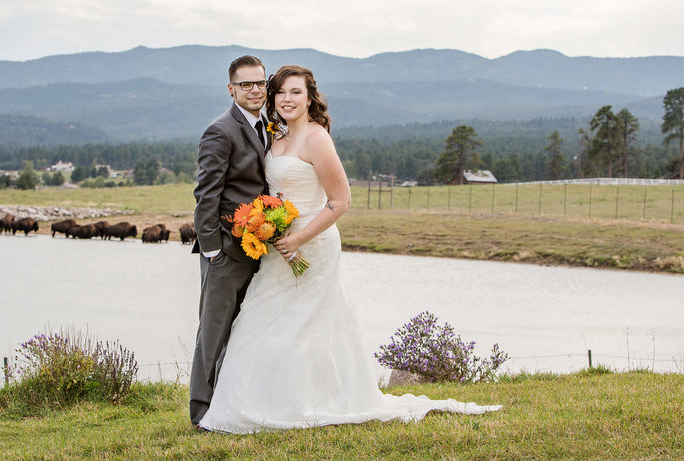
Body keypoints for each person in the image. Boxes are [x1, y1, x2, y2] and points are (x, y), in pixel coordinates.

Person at [197, 65, 501, 434]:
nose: (286, 99)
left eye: (295, 92)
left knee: (309, 324)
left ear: (310, 97)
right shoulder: (274, 137)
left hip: (312, 244)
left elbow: (340, 201)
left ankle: (314, 400)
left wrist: (298, 238)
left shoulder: (316, 138)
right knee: (263, 324)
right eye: (280, 93)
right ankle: (254, 403)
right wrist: (269, 229)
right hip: (277, 246)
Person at [190, 55, 270, 427]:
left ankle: (234, 404)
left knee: (246, 330)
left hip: (258, 249)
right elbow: (206, 195)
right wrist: (212, 252)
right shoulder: (221, 130)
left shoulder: (268, 125)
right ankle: (200, 413)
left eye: (260, 83)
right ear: (231, 89)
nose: (255, 90)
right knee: (214, 332)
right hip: (224, 250)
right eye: (246, 84)